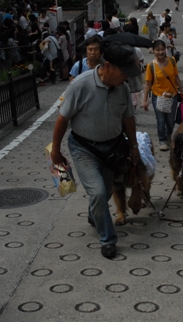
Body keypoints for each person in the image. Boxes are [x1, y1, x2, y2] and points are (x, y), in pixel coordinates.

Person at [50, 44, 141, 260]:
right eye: (123, 72)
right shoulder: (80, 85)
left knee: (107, 191)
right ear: (107, 66)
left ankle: (94, 214)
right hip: (84, 148)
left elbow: (128, 118)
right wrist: (56, 150)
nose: (126, 78)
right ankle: (108, 239)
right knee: (99, 192)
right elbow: (63, 119)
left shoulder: (123, 89)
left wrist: (134, 147)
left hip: (112, 149)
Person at [143, 40, 183, 151]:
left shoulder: (172, 61)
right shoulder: (151, 66)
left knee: (170, 120)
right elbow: (147, 84)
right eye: (157, 50)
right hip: (158, 97)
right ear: (153, 51)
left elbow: (175, 77)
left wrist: (182, 89)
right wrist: (145, 100)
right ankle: (162, 140)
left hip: (172, 96)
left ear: (166, 49)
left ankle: (169, 136)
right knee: (161, 121)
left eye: (162, 49)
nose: (160, 52)